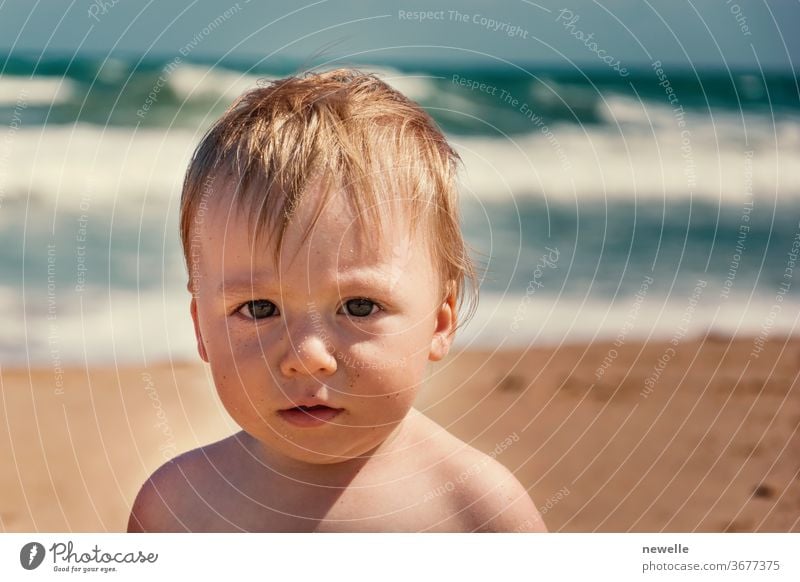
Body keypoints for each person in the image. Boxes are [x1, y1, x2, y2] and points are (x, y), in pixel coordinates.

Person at [127, 68, 546, 532]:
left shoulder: (477, 512)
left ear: (439, 322)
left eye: (360, 306)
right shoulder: (177, 508)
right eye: (259, 309)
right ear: (201, 329)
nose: (307, 358)